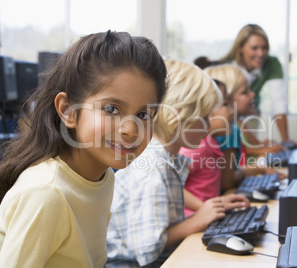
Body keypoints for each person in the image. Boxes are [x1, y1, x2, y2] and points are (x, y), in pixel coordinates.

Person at [0, 31, 167, 267]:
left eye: (143, 114)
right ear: (68, 111)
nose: (130, 129)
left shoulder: (103, 176)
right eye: (111, 109)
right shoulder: (47, 193)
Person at [106, 59, 249, 267]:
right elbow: (148, 249)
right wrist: (198, 220)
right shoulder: (150, 172)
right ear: (182, 115)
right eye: (205, 117)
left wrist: (212, 209)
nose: (209, 125)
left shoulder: (167, 161)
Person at [205, 64, 286, 190]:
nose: (252, 94)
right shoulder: (229, 132)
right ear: (226, 99)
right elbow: (228, 182)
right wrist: (256, 169)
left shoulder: (234, 126)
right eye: (245, 92)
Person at [179, 79, 250, 217]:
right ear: (208, 114)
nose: (231, 111)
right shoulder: (197, 148)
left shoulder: (211, 144)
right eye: (225, 105)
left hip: (206, 217)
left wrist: (219, 204)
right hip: (193, 219)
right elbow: (173, 186)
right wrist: (204, 207)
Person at [221, 24, 295, 146]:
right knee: (237, 146)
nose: (260, 53)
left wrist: (285, 140)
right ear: (241, 47)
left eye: (264, 48)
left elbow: (278, 102)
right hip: (229, 115)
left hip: (250, 110)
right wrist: (259, 145)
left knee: (247, 152)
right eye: (254, 48)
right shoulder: (227, 68)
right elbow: (230, 112)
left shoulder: (271, 63)